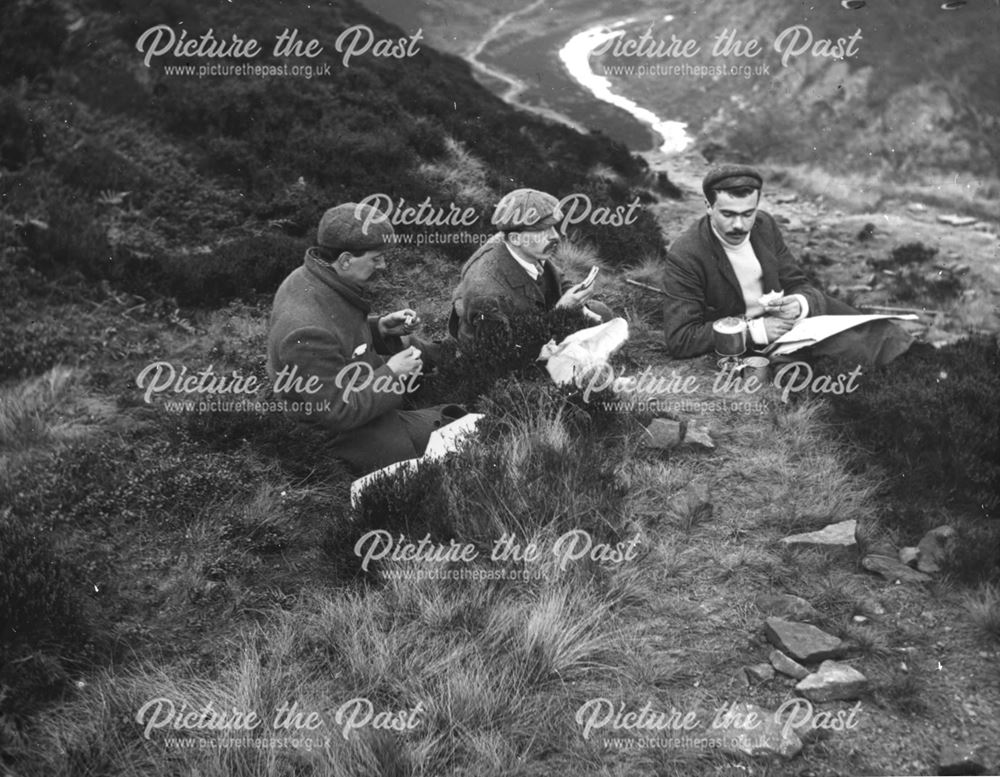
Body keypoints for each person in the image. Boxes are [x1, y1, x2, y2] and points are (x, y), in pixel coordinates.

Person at [268, 202, 465, 473]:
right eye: (376, 258)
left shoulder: (311, 277)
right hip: (340, 436)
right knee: (459, 436)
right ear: (346, 259)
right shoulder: (306, 330)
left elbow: (337, 338)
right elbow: (337, 410)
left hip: (360, 401)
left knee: (455, 421)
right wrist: (394, 373)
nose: (383, 265)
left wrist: (380, 329)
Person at [662, 164, 912, 366]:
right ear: (708, 206)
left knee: (884, 333)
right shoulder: (686, 255)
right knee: (855, 352)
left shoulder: (764, 225)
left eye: (747, 213)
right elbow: (680, 338)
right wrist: (756, 331)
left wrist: (799, 304)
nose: (739, 225)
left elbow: (797, 283)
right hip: (756, 341)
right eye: (728, 214)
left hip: (793, 324)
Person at [449, 188, 613, 351]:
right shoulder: (487, 292)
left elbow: (558, 279)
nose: (555, 236)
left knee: (600, 313)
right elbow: (506, 350)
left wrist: (575, 297)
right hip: (502, 352)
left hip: (535, 323)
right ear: (515, 239)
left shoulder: (523, 245)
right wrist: (560, 313)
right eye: (543, 230)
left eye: (553, 227)